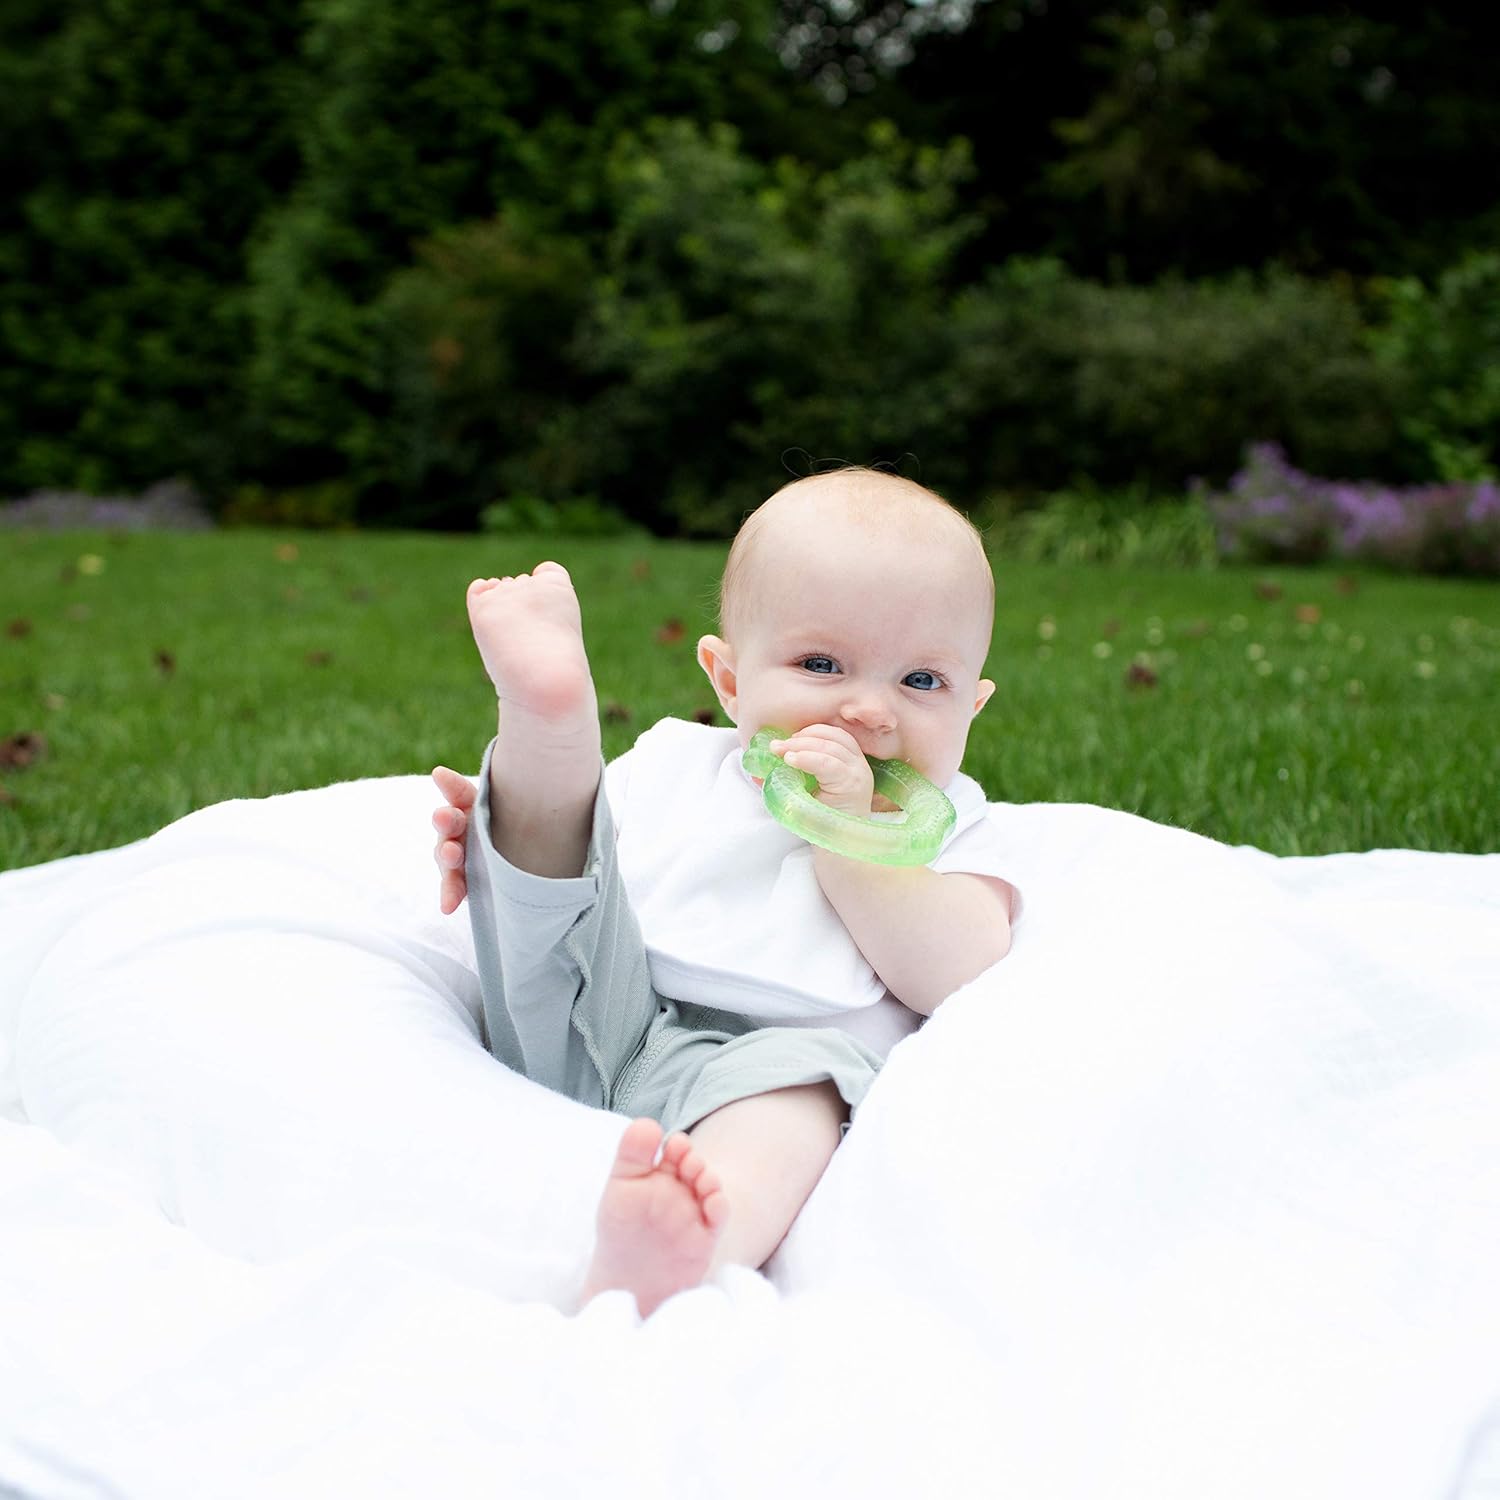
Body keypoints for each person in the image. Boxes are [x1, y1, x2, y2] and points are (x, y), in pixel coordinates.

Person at [430, 469, 1017, 1316]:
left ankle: (690, 1235)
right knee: (560, 848)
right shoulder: (678, 765)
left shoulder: (949, 825)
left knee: (800, 1104)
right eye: (821, 664)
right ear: (730, 680)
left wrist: (848, 835)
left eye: (922, 682)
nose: (867, 710)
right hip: (609, 1002)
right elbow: (588, 871)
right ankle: (547, 720)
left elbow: (961, 968)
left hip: (766, 1058)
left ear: (974, 703)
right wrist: (509, 847)